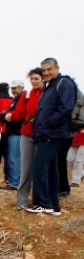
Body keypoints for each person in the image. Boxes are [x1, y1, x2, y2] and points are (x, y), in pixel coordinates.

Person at [26, 58, 75, 216]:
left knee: (39, 167)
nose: (46, 73)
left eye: (49, 69)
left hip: (53, 133)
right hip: (46, 133)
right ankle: (53, 206)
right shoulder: (49, 87)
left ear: (57, 68)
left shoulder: (64, 84)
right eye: (44, 70)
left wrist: (48, 124)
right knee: (51, 169)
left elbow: (66, 108)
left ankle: (42, 203)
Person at [8, 68, 44, 210]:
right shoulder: (27, 94)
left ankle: (39, 200)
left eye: (36, 78)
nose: (34, 81)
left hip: (43, 135)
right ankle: (22, 201)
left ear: (43, 78)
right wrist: (10, 116)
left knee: (41, 168)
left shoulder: (49, 93)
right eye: (32, 79)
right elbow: (19, 113)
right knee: (26, 168)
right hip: (27, 134)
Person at [0, 80, 26, 190]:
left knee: (14, 158)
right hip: (14, 131)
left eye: (15, 88)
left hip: (17, 131)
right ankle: (17, 181)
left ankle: (15, 182)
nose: (13, 90)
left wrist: (6, 115)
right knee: (16, 158)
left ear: (21, 87)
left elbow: (18, 115)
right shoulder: (16, 100)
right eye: (12, 88)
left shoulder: (22, 99)